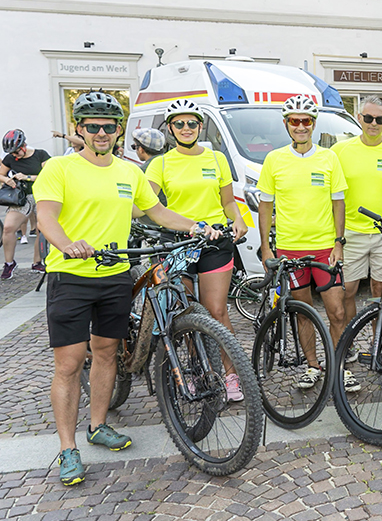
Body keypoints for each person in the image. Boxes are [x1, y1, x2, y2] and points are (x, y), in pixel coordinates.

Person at [33, 91, 219, 485]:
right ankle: (68, 448)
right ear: (79, 130)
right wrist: (67, 243)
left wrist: (195, 226)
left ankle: (97, 425)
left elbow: (157, 212)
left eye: (109, 126)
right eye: (93, 126)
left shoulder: (129, 172)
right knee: (68, 364)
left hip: (116, 273)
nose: (102, 133)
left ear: (120, 130)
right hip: (72, 275)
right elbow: (45, 216)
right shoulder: (59, 169)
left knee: (106, 353)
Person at [145, 99, 249, 402]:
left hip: (214, 240)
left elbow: (228, 201)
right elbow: (148, 204)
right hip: (178, 242)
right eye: (179, 123)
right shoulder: (160, 163)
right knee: (187, 311)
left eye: (192, 123)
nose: (186, 128)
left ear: (200, 126)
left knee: (216, 311)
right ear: (169, 128)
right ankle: (199, 372)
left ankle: (231, 375)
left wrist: (238, 218)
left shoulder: (216, 158)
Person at [257, 96, 359, 393]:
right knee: (303, 311)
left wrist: (338, 243)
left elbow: (338, 203)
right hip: (291, 250)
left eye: (306, 121)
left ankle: (338, 366)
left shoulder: (328, 158)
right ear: (286, 124)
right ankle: (313, 366)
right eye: (294, 121)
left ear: (314, 124)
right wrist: (266, 247)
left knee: (337, 312)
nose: (301, 126)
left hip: (325, 248)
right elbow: (265, 206)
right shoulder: (274, 159)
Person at [332, 96, 382, 348]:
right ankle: (350, 341)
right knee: (347, 291)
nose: (373, 123)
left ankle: (377, 342)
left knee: (380, 289)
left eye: (379, 119)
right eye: (368, 118)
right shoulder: (340, 151)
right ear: (358, 118)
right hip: (352, 232)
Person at [1, 129, 51, 278]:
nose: (15, 156)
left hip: (42, 195)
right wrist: (6, 180)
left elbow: (49, 176)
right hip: (22, 197)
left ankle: (37, 262)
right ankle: (9, 263)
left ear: (23, 145)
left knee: (41, 230)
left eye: (17, 152)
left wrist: (27, 177)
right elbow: (1, 174)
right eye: (12, 154)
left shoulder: (40, 154)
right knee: (8, 228)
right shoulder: (10, 158)